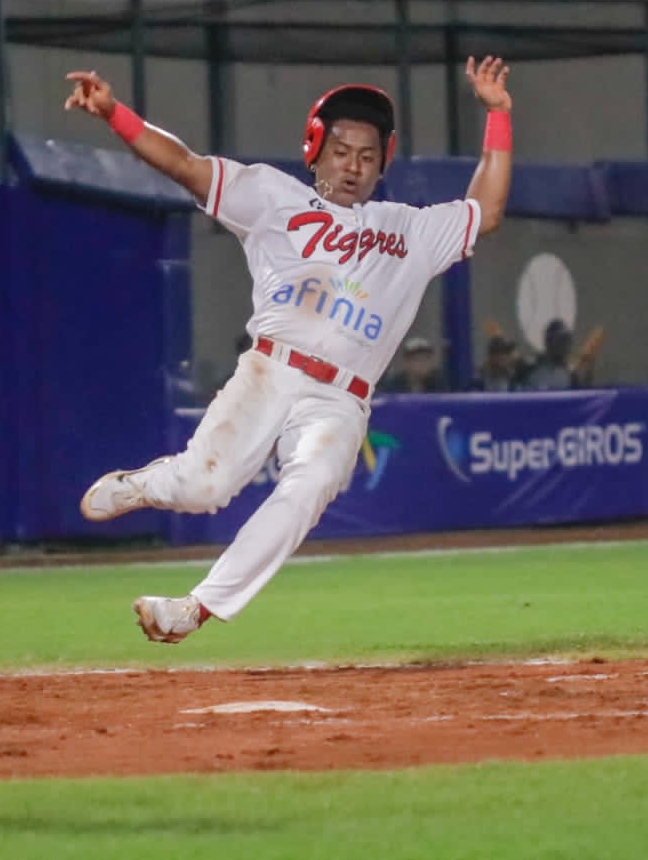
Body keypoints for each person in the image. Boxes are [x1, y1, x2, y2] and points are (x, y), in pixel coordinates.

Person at [65, 56, 514, 644]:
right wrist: (115, 115)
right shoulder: (273, 198)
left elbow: (487, 210)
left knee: (306, 488)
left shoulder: (408, 229)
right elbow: (184, 165)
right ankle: (150, 484)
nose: (353, 165)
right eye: (341, 150)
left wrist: (498, 116)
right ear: (315, 149)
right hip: (271, 371)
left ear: (384, 163)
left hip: (341, 399)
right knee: (203, 488)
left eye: (368, 155)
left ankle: (193, 610)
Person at [379, 336, 448, 393]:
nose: (422, 364)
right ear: (406, 362)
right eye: (417, 359)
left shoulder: (438, 383)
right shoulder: (393, 385)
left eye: (426, 358)